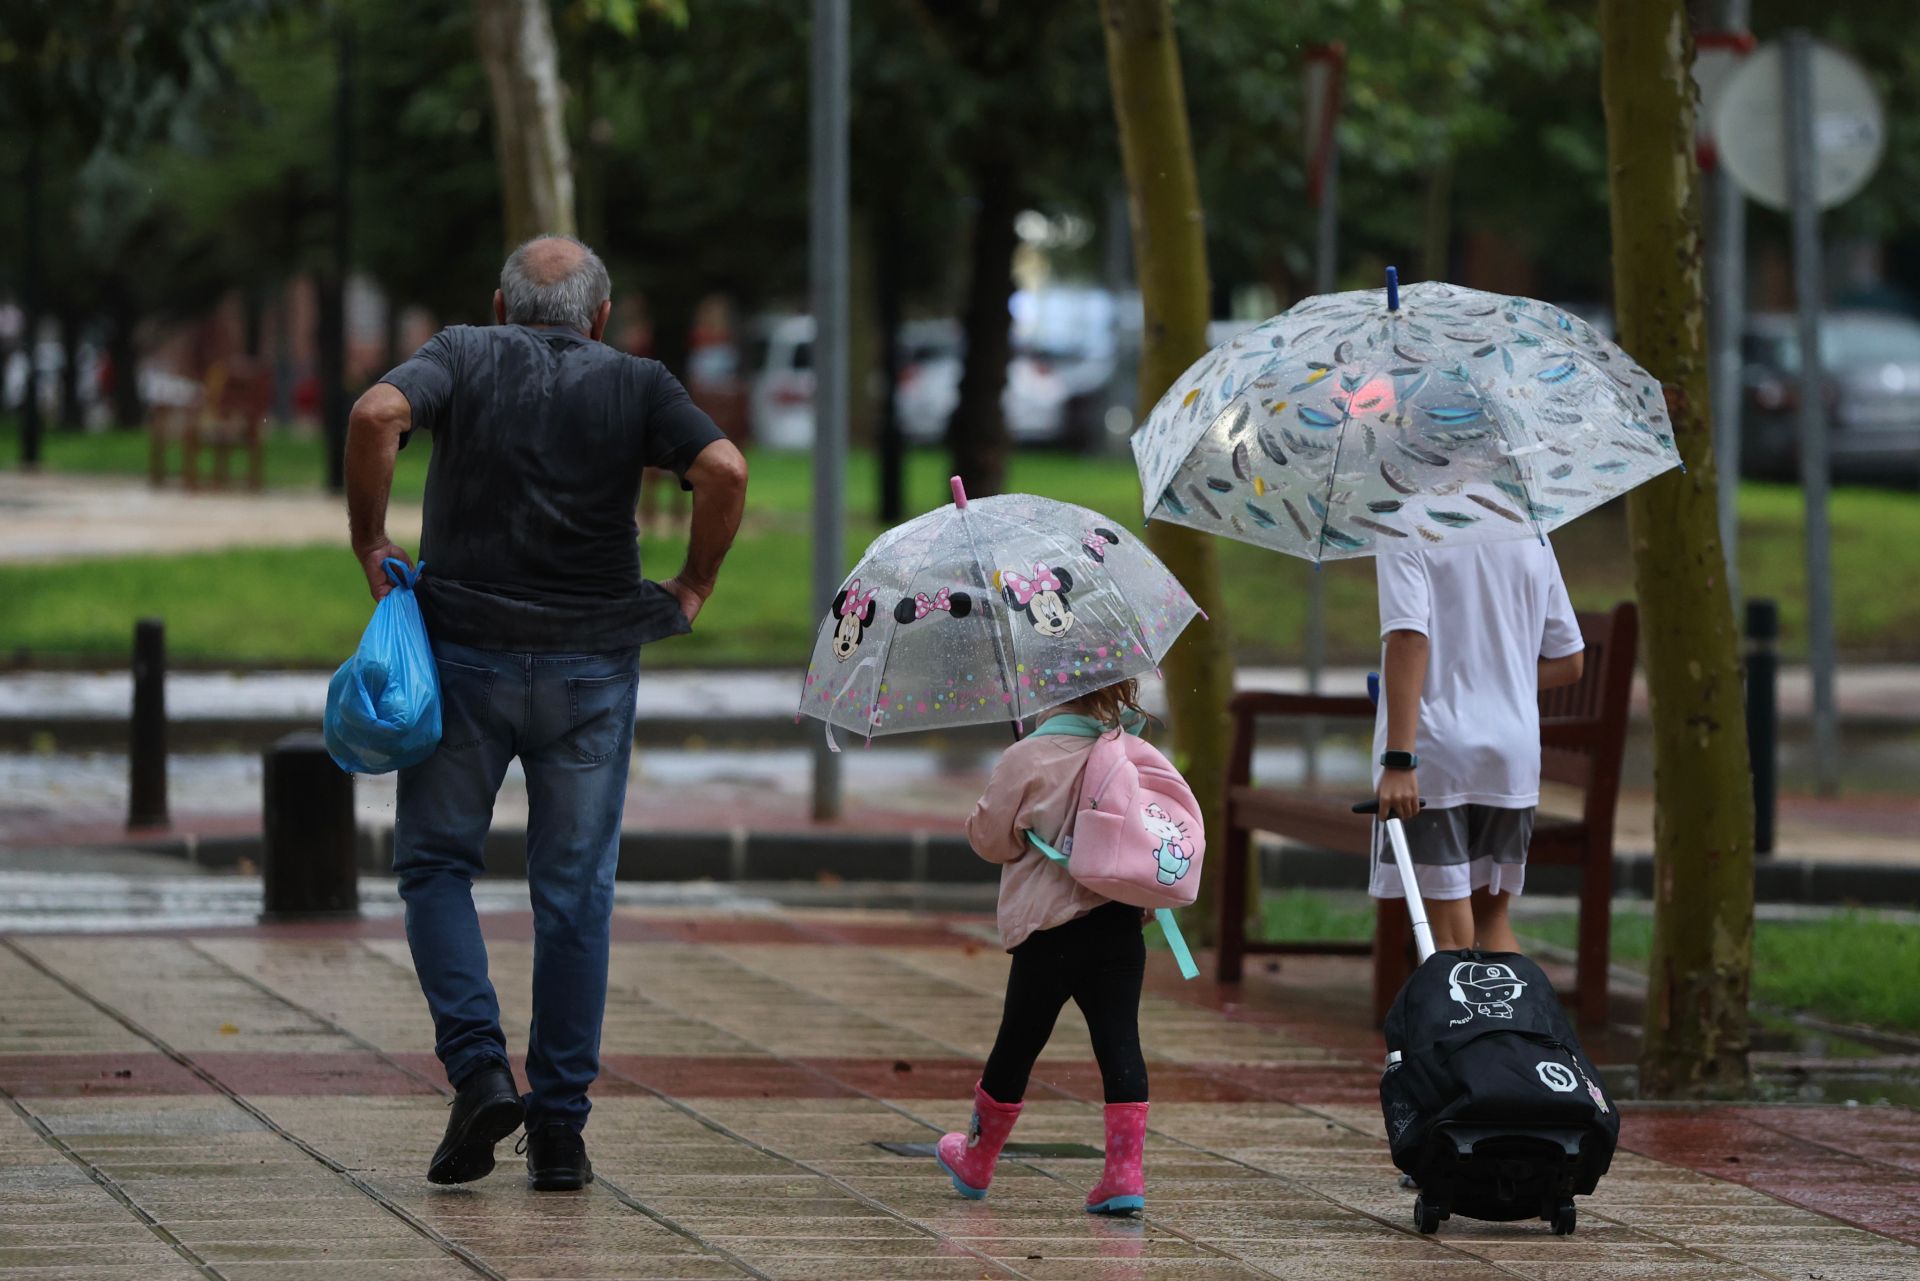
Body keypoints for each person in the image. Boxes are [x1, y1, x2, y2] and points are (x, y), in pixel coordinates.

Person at [343, 235, 748, 1191]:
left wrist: (370, 538)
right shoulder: (638, 381)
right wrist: (694, 581)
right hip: (593, 670)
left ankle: (480, 1069)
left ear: (501, 306)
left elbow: (376, 411)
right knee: (575, 892)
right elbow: (725, 470)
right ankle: (560, 1132)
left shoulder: (460, 353)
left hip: (464, 656)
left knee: (436, 864)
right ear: (601, 318)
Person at [935, 680, 1155, 1217]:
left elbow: (992, 841)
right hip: (1119, 922)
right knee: (1120, 1043)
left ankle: (977, 1159)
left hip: (1048, 929)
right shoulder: (1126, 749)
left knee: (1017, 1045)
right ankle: (1124, 1174)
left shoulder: (1028, 756)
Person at [1371, 540, 1586, 952]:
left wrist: (1398, 759)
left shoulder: (1404, 526)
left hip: (1436, 753)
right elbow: (1570, 662)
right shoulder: (1530, 532)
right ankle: (1516, 1000)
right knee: (1493, 922)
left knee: (1449, 937)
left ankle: (1457, 1000)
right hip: (1513, 757)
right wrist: (1497, 682)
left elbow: (1408, 637)